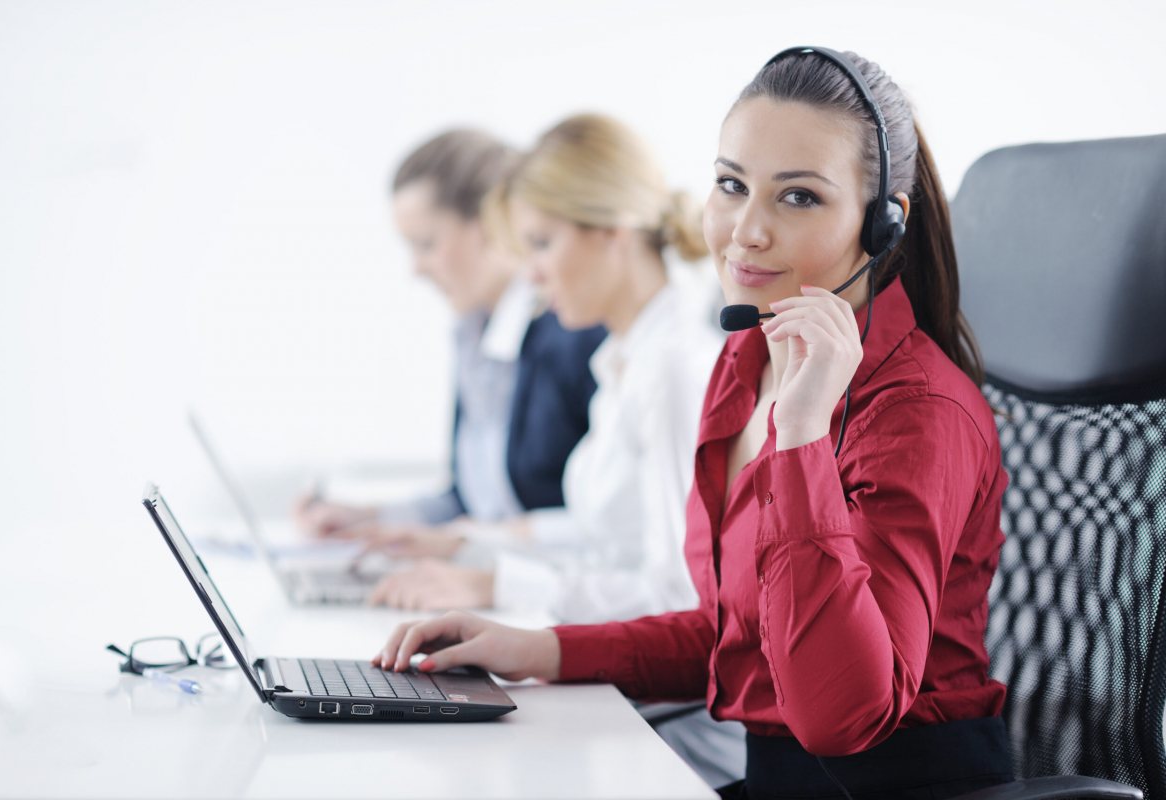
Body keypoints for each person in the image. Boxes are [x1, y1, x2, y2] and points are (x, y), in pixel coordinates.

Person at [372, 49, 1015, 800]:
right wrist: (536, 648)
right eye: (731, 185)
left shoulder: (916, 413)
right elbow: (737, 632)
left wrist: (802, 436)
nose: (745, 231)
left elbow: (840, 714)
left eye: (799, 197)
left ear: (881, 225)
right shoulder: (746, 362)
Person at [295, 130, 605, 538]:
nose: (416, 269)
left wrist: (465, 543)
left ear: (490, 224)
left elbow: (608, 526)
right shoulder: (474, 336)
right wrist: (368, 518)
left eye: (426, 244)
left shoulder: (575, 333)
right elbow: (473, 501)